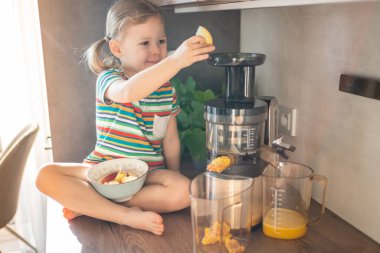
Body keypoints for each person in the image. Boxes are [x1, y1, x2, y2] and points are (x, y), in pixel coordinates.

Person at [35, 0, 215, 236]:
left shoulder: (166, 89)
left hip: (147, 175)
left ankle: (94, 205)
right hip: (103, 171)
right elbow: (130, 92)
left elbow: (170, 140)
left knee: (185, 191)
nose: (156, 50)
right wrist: (176, 60)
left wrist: (174, 175)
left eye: (161, 41)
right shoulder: (109, 79)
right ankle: (124, 215)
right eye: (145, 43)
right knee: (45, 175)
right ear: (117, 49)